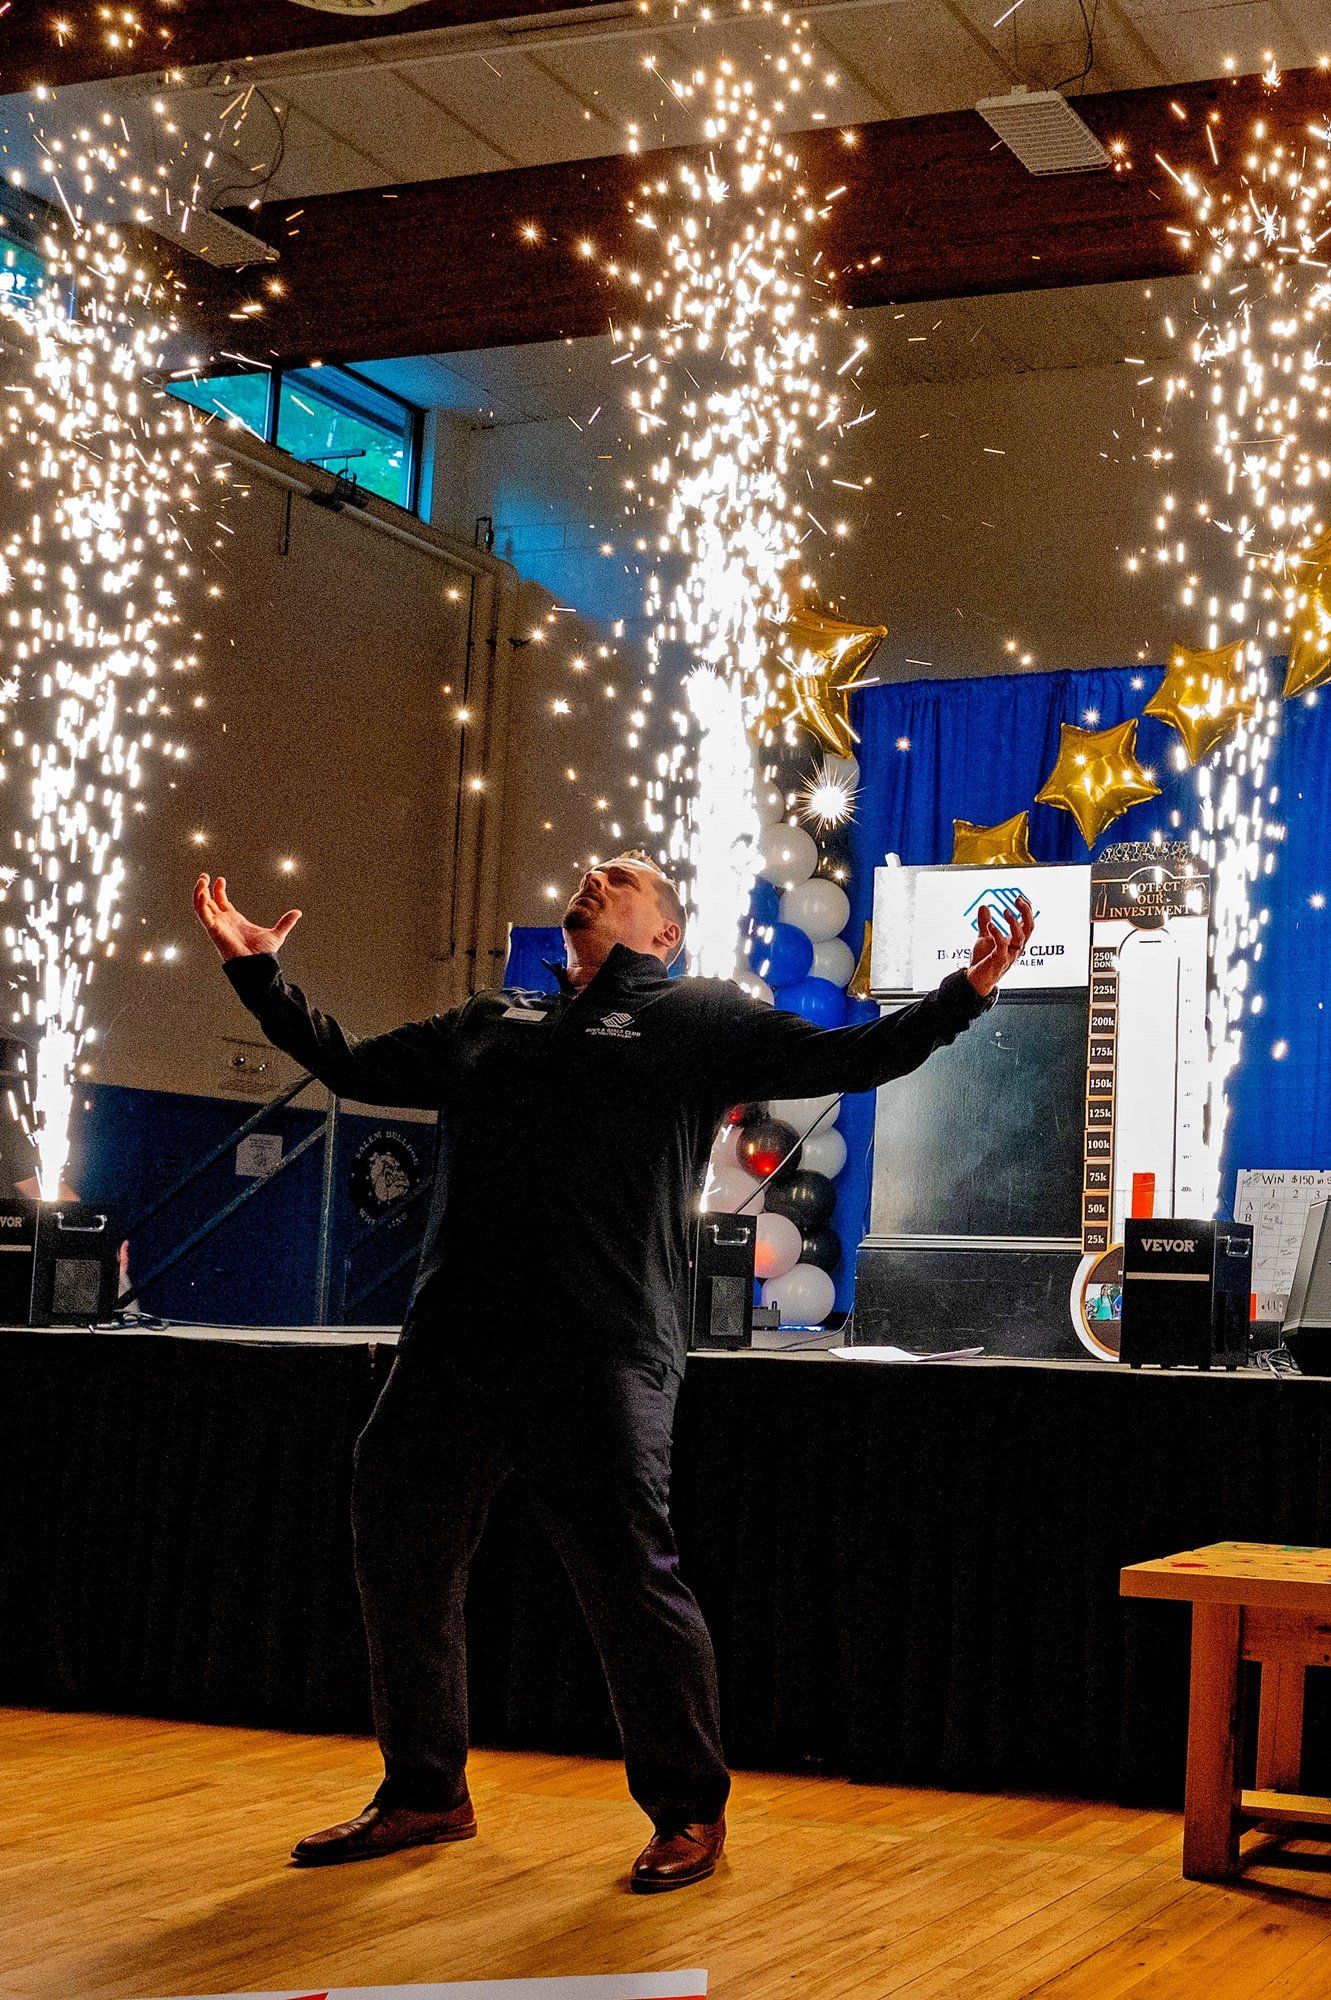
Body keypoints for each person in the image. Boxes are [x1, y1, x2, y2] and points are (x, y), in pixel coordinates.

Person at [193, 853, 1033, 1892]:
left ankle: (688, 1809)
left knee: (629, 1578)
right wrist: (259, 976)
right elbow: (353, 1066)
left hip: (602, 1343)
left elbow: (856, 1054)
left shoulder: (696, 1015)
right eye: (594, 870)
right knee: (400, 1548)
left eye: (623, 877)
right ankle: (424, 1789)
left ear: (663, 934)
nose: (596, 876)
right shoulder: (490, 1016)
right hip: (454, 1343)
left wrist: (964, 991)